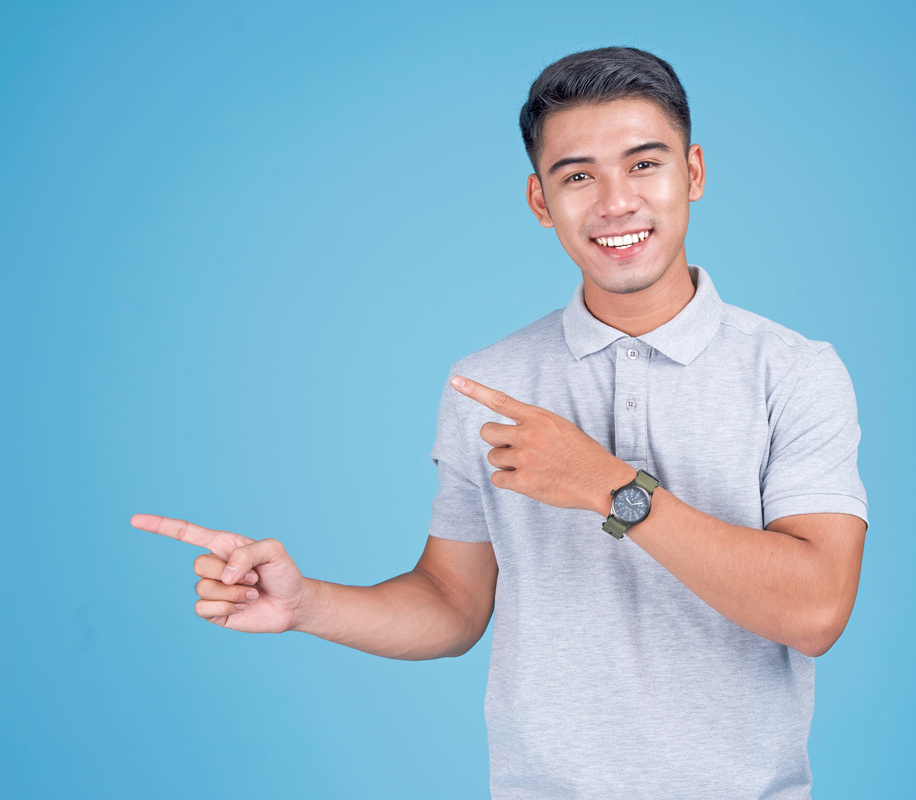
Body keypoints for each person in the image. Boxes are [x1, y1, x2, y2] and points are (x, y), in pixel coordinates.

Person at [133, 46, 868, 799]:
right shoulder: (491, 385)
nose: (615, 202)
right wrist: (306, 604)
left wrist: (609, 486)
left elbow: (814, 610)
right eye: (578, 175)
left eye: (644, 164)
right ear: (540, 201)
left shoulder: (794, 371)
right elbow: (452, 603)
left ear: (694, 173)